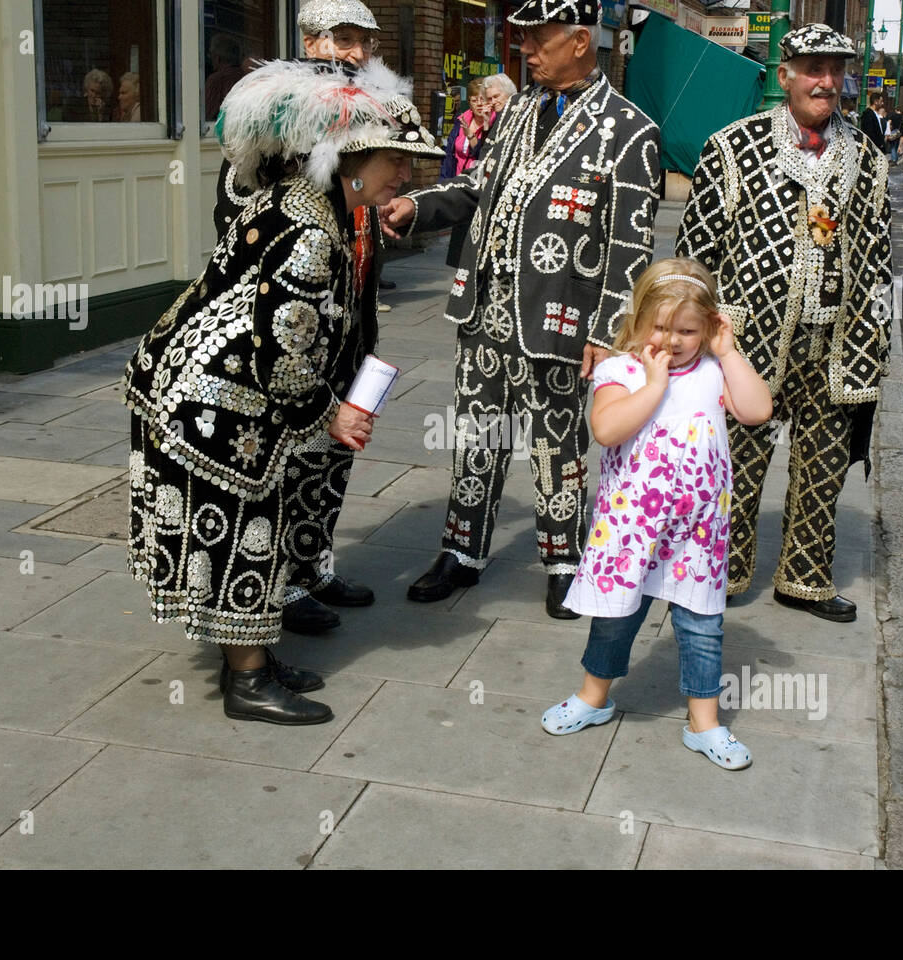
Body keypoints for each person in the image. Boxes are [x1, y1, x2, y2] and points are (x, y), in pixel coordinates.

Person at [122, 60, 443, 725]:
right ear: (351, 158)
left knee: (249, 530)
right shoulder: (310, 235)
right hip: (214, 402)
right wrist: (336, 415)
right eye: (396, 160)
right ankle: (247, 683)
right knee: (247, 533)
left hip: (200, 386)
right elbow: (285, 362)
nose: (405, 176)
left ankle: (253, 659)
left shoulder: (303, 201)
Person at [381, 0, 662, 619]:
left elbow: (629, 246)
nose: (527, 50)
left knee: (557, 445)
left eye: (538, 39)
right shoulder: (517, 113)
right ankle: (462, 550)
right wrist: (418, 206)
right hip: (486, 312)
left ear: (581, 41)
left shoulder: (630, 129)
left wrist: (609, 332)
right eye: (524, 39)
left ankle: (564, 564)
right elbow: (477, 185)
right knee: (476, 434)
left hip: (560, 319)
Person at [675, 22, 892, 622]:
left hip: (835, 340)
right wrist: (690, 342)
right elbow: (696, 257)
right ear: (786, 74)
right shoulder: (733, 146)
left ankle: (805, 578)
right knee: (734, 463)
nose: (826, 81)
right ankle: (717, 570)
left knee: (824, 464)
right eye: (813, 68)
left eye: (836, 70)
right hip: (747, 340)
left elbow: (878, 265)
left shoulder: (867, 160)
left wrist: (873, 345)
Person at [540, 258, 772, 767]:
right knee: (614, 619)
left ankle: (704, 723)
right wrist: (653, 385)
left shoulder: (715, 371)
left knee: (702, 624)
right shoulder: (620, 371)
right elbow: (607, 429)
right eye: (660, 327)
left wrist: (729, 353)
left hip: (697, 532)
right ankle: (593, 697)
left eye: (687, 330)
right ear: (638, 320)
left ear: (710, 327)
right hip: (632, 531)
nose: (671, 340)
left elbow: (757, 411)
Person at [211, 0, 389, 635]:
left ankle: (313, 565)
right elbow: (237, 209)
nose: (356, 52)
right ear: (311, 41)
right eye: (343, 38)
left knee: (333, 456)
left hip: (352, 319)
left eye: (364, 40)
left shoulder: (365, 109)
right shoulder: (281, 109)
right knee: (291, 454)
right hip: (293, 329)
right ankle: (279, 586)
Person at [441, 79, 490, 268]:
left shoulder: (493, 122)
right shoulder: (462, 119)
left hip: (480, 185)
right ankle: (460, 271)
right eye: (473, 100)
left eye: (482, 99)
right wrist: (445, 182)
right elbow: (451, 154)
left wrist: (471, 135)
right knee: (460, 231)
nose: (478, 104)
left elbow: (484, 154)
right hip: (461, 181)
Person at [205, 32, 248, 121]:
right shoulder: (247, 77)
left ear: (218, 57)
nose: (210, 58)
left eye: (211, 54)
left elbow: (205, 116)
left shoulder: (216, 80)